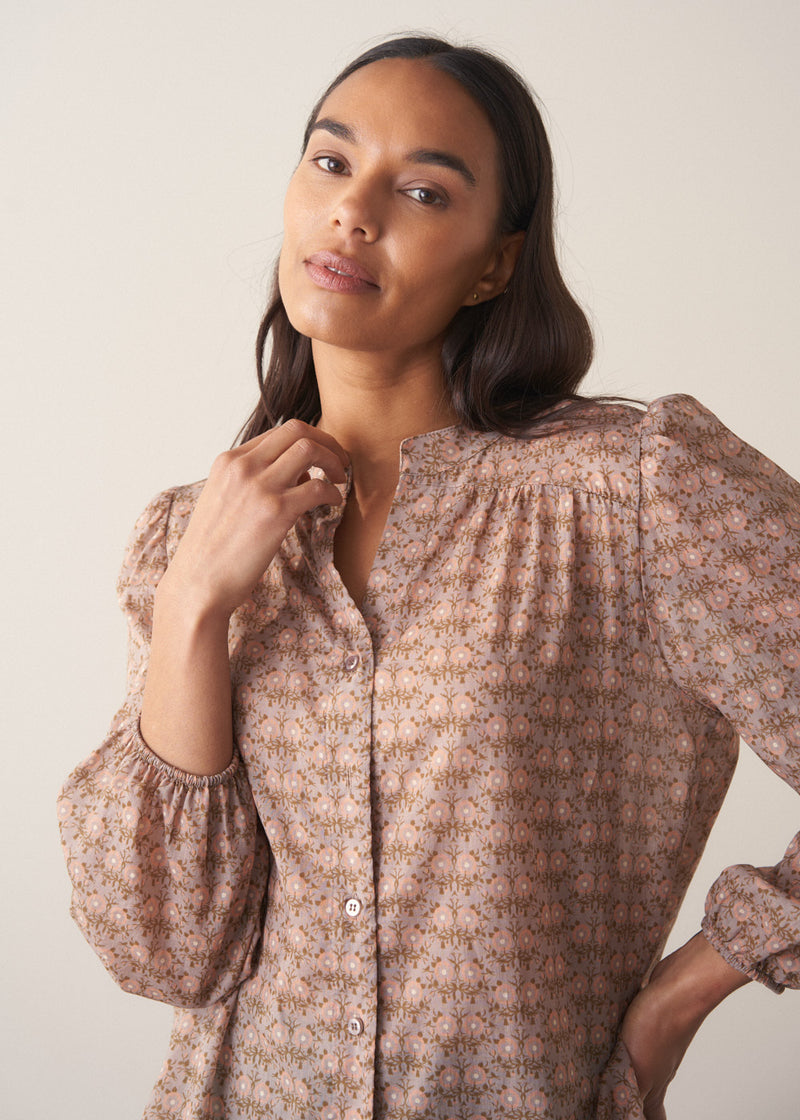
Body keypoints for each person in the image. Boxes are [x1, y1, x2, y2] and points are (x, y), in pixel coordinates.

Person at [57, 34, 799, 1120]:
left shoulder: (628, 490)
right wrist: (191, 606)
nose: (354, 212)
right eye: (328, 162)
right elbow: (166, 951)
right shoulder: (193, 535)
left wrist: (681, 996)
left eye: (420, 189)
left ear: (495, 262)